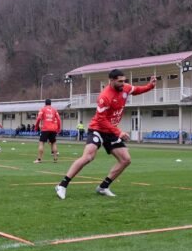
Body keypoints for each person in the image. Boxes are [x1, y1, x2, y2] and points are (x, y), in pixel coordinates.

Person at [56, 69, 156, 199]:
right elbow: (101, 120)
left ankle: (103, 187)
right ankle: (62, 185)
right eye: (120, 81)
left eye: (124, 81)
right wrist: (118, 132)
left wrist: (150, 86)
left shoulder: (125, 88)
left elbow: (137, 90)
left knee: (126, 160)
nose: (123, 83)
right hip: (98, 129)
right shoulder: (105, 96)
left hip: (111, 131)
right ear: (112, 80)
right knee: (88, 157)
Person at [34, 99, 62, 163]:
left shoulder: (42, 109)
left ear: (45, 103)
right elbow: (59, 119)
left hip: (45, 129)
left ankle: (39, 159)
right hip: (53, 129)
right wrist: (59, 128)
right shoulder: (54, 110)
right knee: (54, 143)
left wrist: (36, 127)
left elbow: (38, 118)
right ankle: (55, 159)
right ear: (50, 103)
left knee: (41, 143)